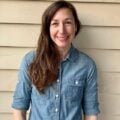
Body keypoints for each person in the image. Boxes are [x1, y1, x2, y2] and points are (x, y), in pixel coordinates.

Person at [12, 0, 100, 120]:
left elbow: (91, 113)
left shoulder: (87, 65)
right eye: (55, 23)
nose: (62, 30)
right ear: (47, 28)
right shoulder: (30, 61)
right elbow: (19, 108)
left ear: (76, 27)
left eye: (68, 22)